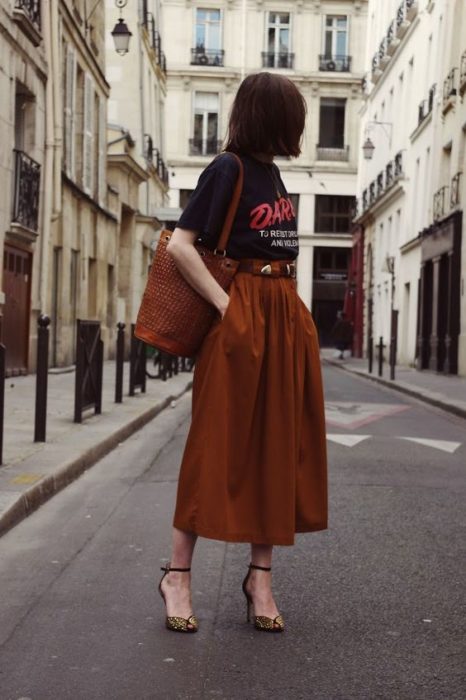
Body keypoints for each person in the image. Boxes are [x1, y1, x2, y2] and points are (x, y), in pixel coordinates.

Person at [158, 72, 328, 634]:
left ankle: (260, 577)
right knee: (214, 445)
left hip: (283, 313)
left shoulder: (275, 175)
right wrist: (228, 307)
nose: (298, 128)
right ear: (271, 117)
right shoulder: (227, 168)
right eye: (293, 117)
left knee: (277, 449)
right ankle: (177, 575)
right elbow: (182, 246)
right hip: (245, 311)